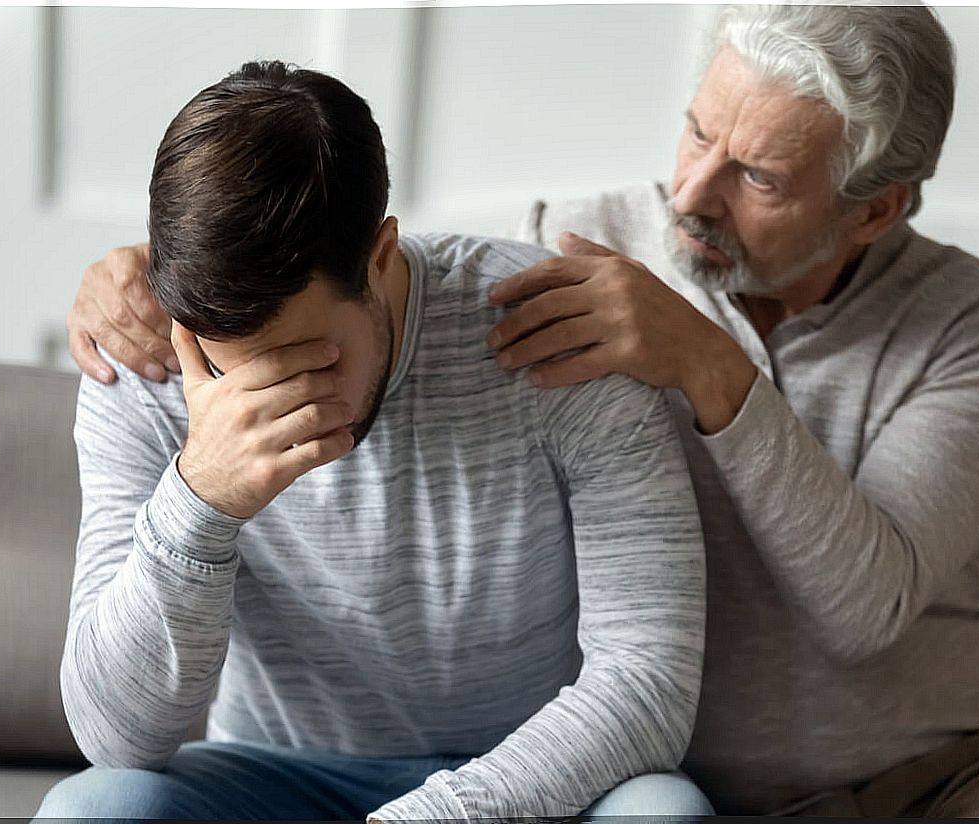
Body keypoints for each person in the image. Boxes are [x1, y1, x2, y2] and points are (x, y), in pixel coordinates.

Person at [64, 4, 979, 819]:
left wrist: (706, 361)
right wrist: (190, 459)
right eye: (697, 128)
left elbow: (859, 607)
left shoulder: (966, 325)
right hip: (344, 764)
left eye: (757, 174)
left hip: (943, 767)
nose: (691, 189)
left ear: (875, 207)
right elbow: (348, 269)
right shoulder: (568, 254)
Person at [38, 60, 713, 822]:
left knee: (663, 813)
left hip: (531, 775)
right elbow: (115, 740)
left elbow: (648, 684)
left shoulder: (559, 331)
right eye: (231, 365)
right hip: (276, 773)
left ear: (381, 256)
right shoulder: (146, 360)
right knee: (92, 809)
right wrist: (201, 499)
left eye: (304, 356)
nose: (268, 403)